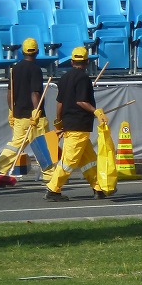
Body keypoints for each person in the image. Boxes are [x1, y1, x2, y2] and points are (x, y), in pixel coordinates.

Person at [47, 46, 108, 201]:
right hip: (79, 125)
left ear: (72, 61)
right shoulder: (83, 78)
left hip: (69, 124)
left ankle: (98, 188)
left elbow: (59, 103)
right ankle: (53, 189)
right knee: (69, 161)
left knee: (89, 160)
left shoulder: (64, 77)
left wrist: (58, 121)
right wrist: (96, 111)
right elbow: (81, 101)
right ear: (87, 62)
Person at [0, 38, 47, 188]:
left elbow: (10, 93)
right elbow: (35, 93)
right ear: (37, 51)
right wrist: (36, 111)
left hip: (19, 115)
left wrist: (11, 110)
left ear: (22, 51)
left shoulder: (15, 68)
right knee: (44, 147)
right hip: (34, 117)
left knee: (14, 146)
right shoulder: (35, 69)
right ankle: (52, 178)